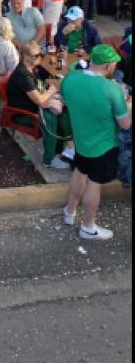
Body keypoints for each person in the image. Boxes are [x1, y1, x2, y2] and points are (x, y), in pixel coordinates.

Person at [62, 44, 132, 240]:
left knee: (79, 171)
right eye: (114, 65)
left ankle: (70, 211)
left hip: (81, 141)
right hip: (103, 145)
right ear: (109, 65)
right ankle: (87, 226)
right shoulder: (112, 89)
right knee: (94, 183)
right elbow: (125, 124)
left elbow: (67, 102)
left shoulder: (71, 78)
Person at [8, 42, 73, 170]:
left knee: (64, 111)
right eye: (37, 55)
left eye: (41, 54)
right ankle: (49, 160)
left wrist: (47, 85)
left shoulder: (32, 68)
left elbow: (39, 90)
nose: (40, 58)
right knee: (51, 119)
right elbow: (39, 100)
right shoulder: (23, 75)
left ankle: (69, 149)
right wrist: (51, 90)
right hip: (23, 113)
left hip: (34, 107)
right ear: (26, 56)